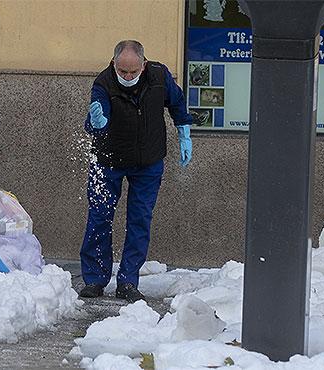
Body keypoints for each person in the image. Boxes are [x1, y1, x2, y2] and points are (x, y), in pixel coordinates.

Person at [79, 40, 193, 303]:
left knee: (140, 219)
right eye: (122, 71)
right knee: (100, 216)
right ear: (114, 64)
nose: (127, 77)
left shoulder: (159, 76)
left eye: (132, 71)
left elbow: (176, 103)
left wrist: (184, 129)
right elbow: (97, 117)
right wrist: (97, 122)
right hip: (107, 160)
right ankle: (95, 279)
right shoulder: (103, 83)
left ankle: (128, 281)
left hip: (148, 160)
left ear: (143, 64)